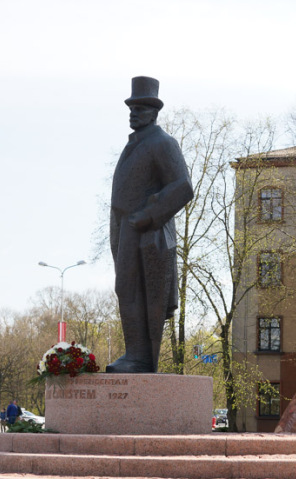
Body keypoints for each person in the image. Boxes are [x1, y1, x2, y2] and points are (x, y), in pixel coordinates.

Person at [106, 76, 194, 373]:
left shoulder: (162, 143)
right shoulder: (133, 145)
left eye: (141, 108)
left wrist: (148, 215)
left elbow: (183, 187)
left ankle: (141, 358)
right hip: (124, 230)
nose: (134, 112)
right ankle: (134, 353)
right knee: (126, 290)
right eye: (131, 107)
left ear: (154, 112)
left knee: (142, 294)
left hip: (145, 232)